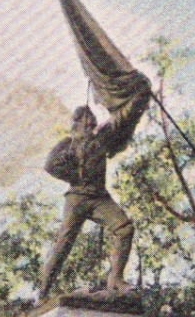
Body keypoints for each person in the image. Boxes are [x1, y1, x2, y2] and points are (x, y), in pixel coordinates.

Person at [38, 70, 154, 299]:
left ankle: (115, 279)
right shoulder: (67, 144)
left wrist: (141, 93)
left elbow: (125, 115)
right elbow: (50, 165)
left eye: (91, 118)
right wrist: (73, 174)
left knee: (125, 228)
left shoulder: (104, 136)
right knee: (63, 243)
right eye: (84, 119)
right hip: (77, 198)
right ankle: (42, 291)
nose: (90, 121)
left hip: (99, 197)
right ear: (77, 123)